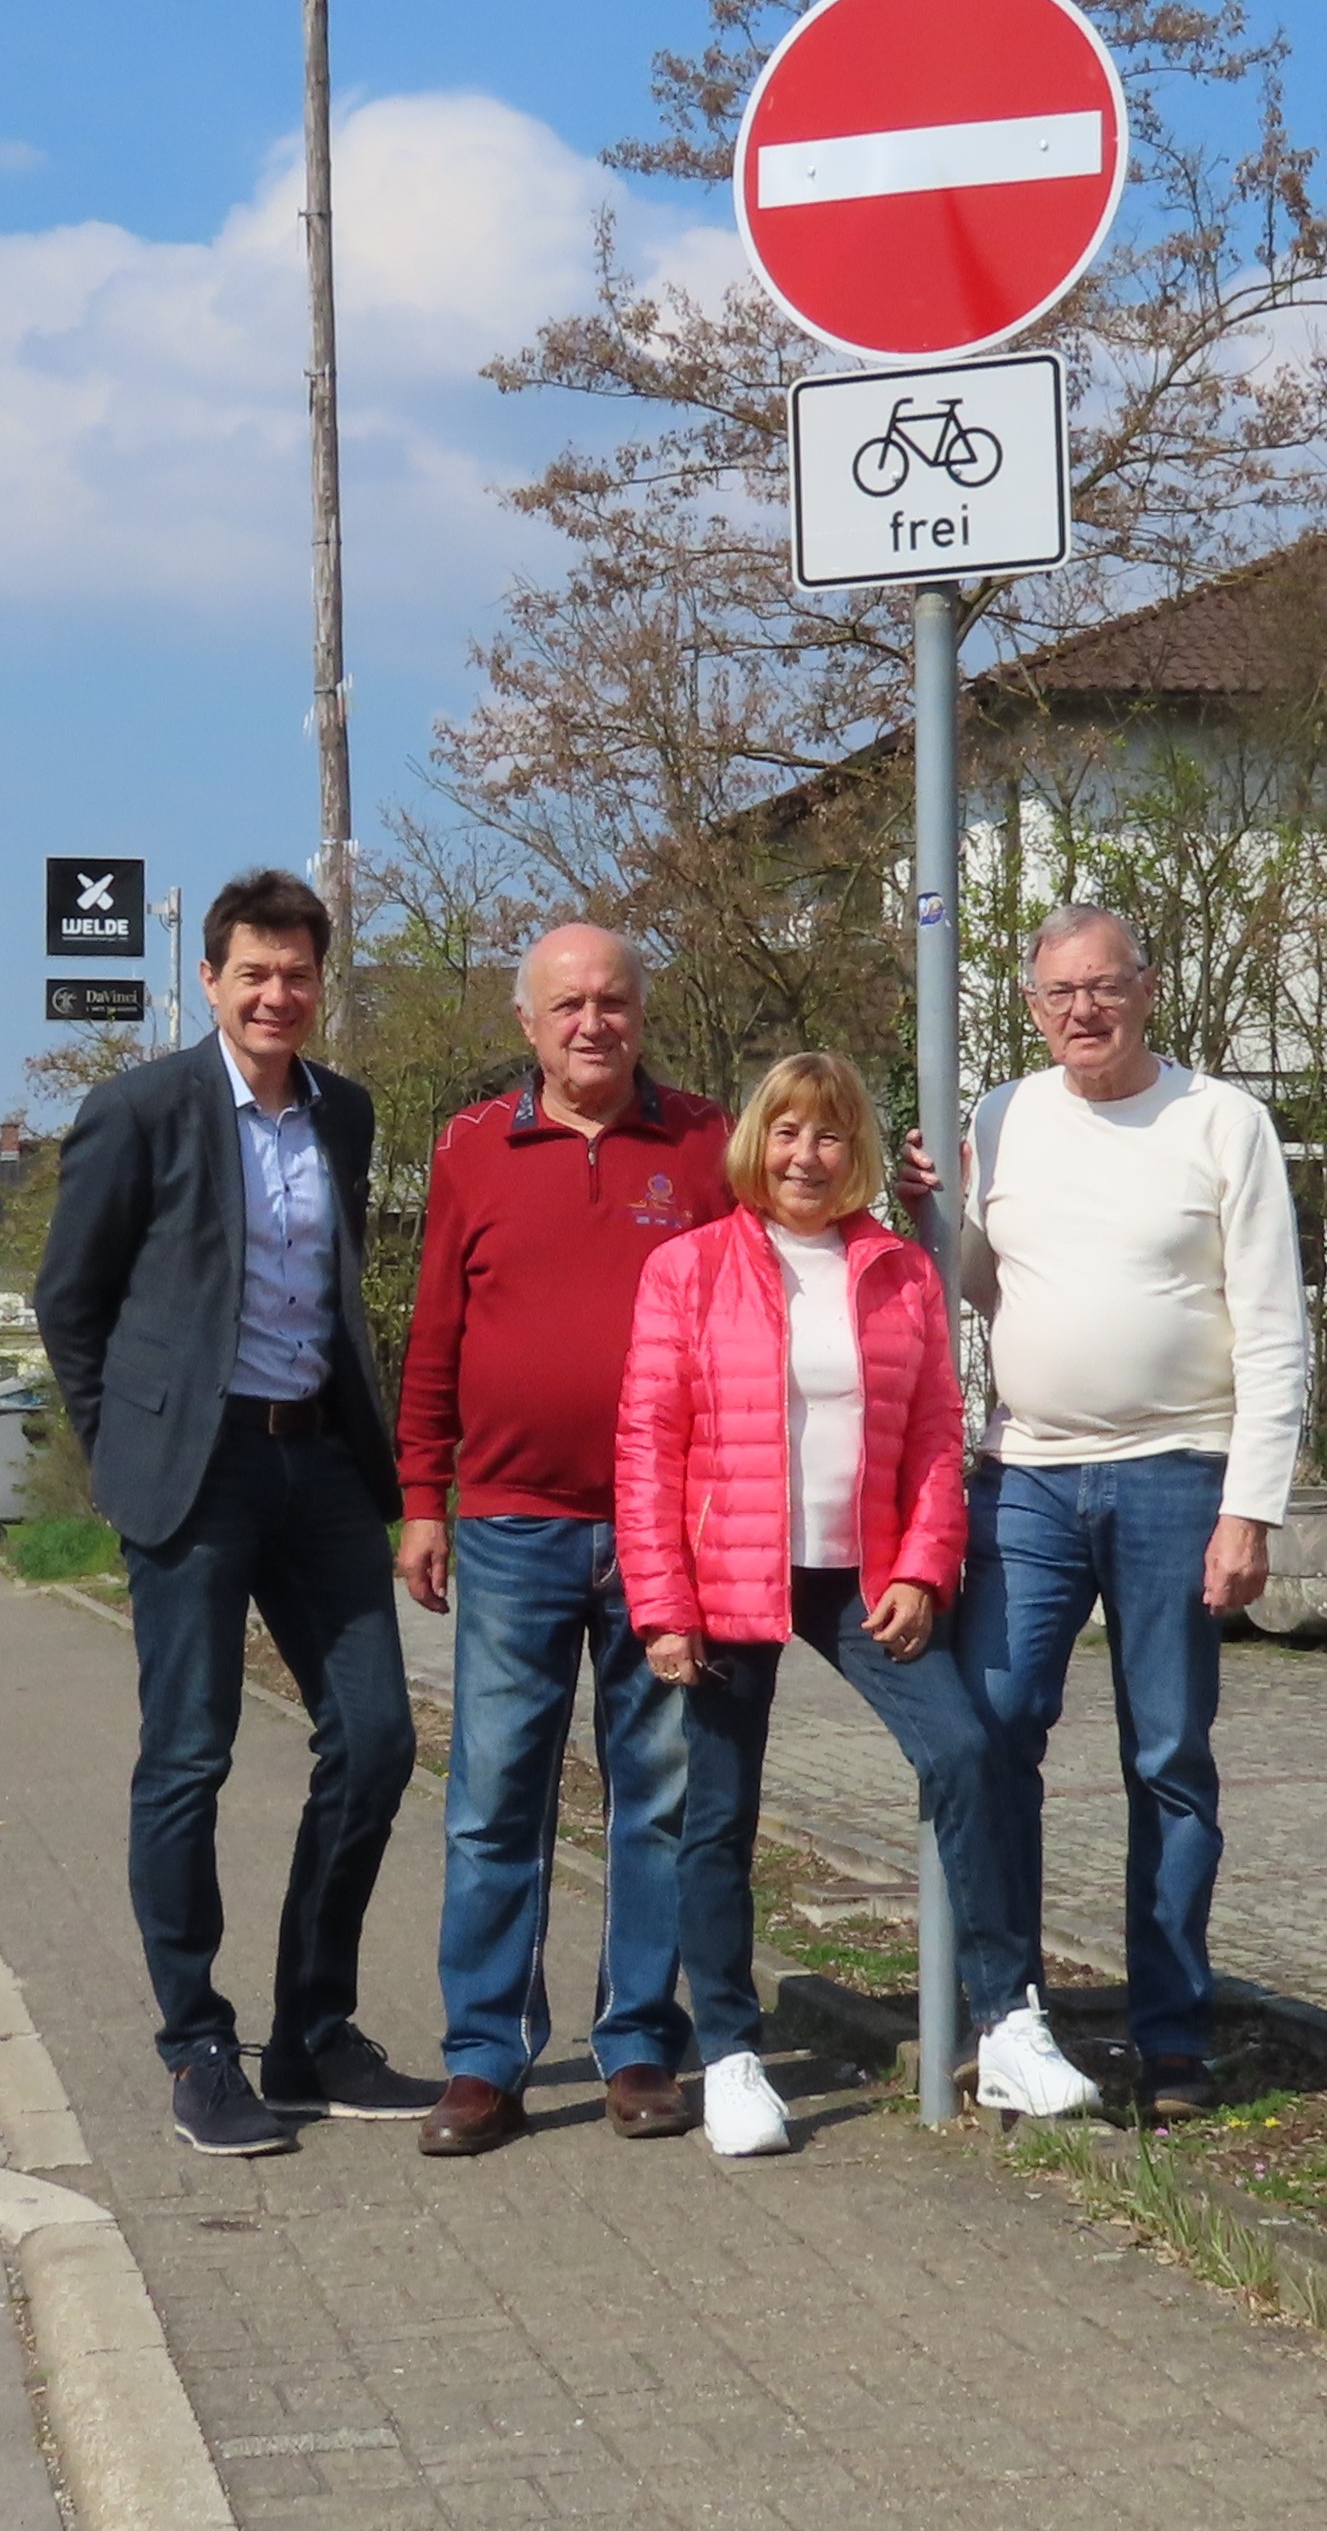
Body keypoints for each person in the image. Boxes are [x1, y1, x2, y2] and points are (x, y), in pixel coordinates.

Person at [617, 1051, 1101, 2157]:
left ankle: (1009, 2023)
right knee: (718, 1812)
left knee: (967, 1752)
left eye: (829, 1135)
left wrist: (925, 1569)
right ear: (756, 1142)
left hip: (859, 1575)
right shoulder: (689, 1269)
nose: (805, 1155)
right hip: (728, 1573)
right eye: (786, 1132)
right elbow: (646, 1446)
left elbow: (935, 1431)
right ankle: (732, 2056)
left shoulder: (894, 1270)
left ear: (857, 1153)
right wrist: (663, 1605)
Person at [35, 869, 441, 2156]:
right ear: (206, 980)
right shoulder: (138, 1110)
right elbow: (69, 1303)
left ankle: (313, 2028)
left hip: (314, 1463)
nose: (278, 995)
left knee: (375, 1738)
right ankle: (197, 2046)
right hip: (193, 1476)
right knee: (190, 1757)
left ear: (323, 987)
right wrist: (125, 1455)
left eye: (300, 975)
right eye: (253, 973)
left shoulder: (346, 1115)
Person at [941, 902, 1310, 2121]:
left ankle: (1169, 2036)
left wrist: (1249, 1506)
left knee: (1167, 1759)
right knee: (990, 1731)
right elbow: (979, 1284)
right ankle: (1012, 2014)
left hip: (1175, 1474)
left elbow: (1271, 1324)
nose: (1082, 1013)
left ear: (1147, 990)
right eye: (1057, 994)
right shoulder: (998, 1116)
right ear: (1032, 1004)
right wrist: (928, 1210)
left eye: (1104, 988)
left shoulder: (1222, 1122)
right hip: (1028, 1476)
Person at [397, 924, 735, 2156]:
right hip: (507, 1525)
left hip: (666, 1533)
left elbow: (783, 1271)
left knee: (655, 1797)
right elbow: (435, 1337)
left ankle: (639, 2040)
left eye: (613, 1001)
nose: (591, 1022)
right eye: (567, 1005)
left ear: (643, 1012)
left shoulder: (707, 1143)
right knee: (494, 1799)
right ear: (527, 1025)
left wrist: (912, 1192)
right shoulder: (473, 1150)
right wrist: (421, 1498)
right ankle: (486, 2057)